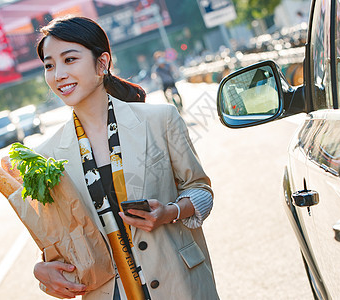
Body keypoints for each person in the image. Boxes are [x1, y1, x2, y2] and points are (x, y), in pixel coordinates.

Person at [32, 16, 219, 300]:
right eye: (49, 65)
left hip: (180, 284)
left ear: (102, 62)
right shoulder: (47, 156)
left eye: (69, 59)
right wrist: (41, 271)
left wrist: (170, 212)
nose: (58, 74)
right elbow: (61, 239)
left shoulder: (160, 120)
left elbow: (202, 192)